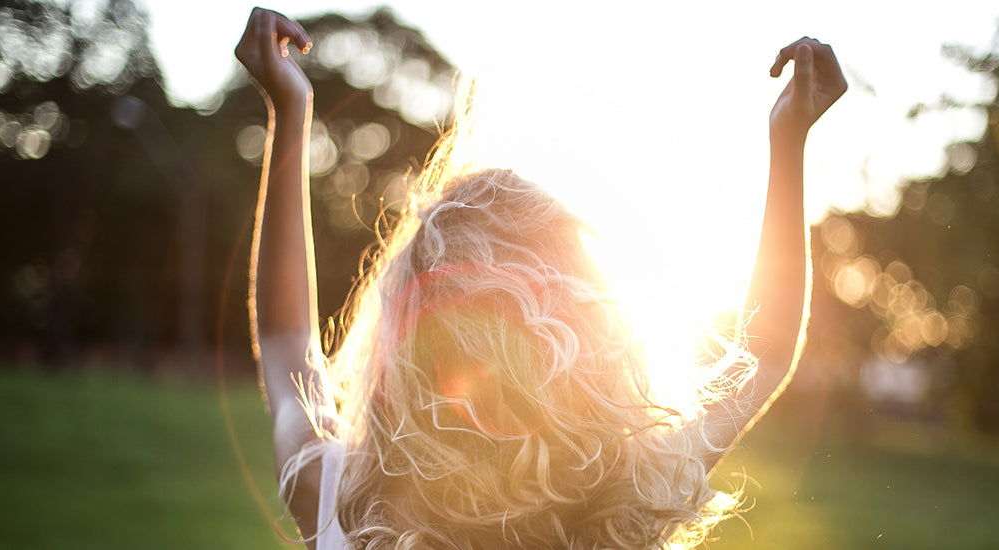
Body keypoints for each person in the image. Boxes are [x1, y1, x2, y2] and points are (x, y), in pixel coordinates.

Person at [235, 7, 846, 549]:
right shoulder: (628, 493)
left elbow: (290, 345)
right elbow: (759, 354)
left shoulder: (348, 501)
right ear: (585, 326)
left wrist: (290, 112)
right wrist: (788, 140)